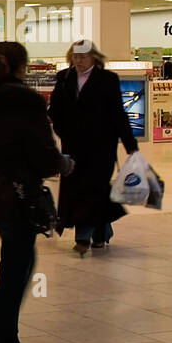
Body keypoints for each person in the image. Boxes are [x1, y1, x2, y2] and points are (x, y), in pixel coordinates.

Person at [0, 42, 73, 343]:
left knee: (15, 260)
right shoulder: (25, 99)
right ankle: (2, 339)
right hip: (18, 191)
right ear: (21, 66)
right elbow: (41, 149)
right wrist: (61, 164)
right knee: (19, 264)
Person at [47, 40, 139, 256]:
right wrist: (62, 130)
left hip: (101, 147)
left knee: (93, 188)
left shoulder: (107, 80)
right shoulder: (64, 78)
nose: (78, 61)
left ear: (94, 57)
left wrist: (130, 145)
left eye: (83, 57)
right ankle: (100, 233)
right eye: (75, 57)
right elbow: (55, 110)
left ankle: (83, 237)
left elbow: (118, 114)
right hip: (73, 146)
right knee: (81, 190)